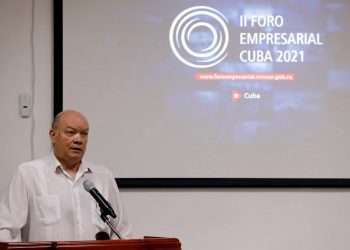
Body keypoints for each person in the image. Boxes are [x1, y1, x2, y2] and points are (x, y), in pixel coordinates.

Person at [0, 110, 132, 241]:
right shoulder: (29, 174)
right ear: (53, 135)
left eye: (84, 134)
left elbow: (122, 232)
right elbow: (5, 228)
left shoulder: (103, 176)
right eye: (71, 132)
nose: (78, 139)